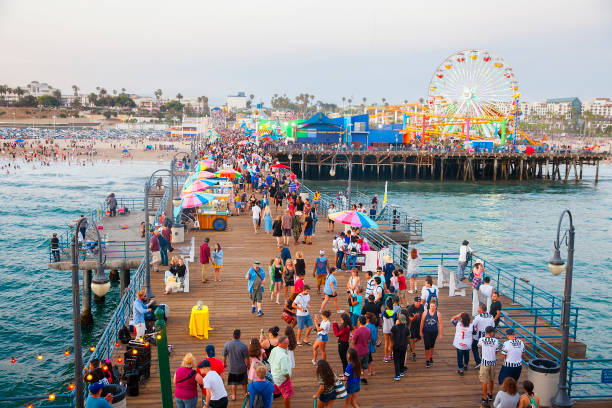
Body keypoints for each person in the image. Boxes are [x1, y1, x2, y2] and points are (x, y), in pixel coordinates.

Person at [222, 329, 249, 401]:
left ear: (233, 335)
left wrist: (224, 363)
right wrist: (248, 366)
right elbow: (246, 358)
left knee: (234, 382)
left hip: (232, 368)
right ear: (240, 336)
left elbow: (224, 356)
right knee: (244, 382)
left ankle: (234, 396)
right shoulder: (243, 346)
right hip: (242, 368)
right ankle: (246, 394)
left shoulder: (227, 344)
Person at [268, 336, 293, 408]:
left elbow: (269, 361)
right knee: (287, 395)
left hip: (274, 376)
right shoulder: (283, 356)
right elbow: (284, 371)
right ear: (283, 344)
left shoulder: (274, 349)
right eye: (287, 343)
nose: (288, 345)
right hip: (282, 379)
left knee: (274, 391)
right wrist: (288, 378)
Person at [478, 326, 500, 404]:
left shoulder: (481, 340)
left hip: (485, 363)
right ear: (491, 333)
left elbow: (479, 346)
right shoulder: (496, 341)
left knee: (484, 381)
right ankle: (490, 394)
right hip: (493, 362)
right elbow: (496, 352)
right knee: (491, 379)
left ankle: (485, 397)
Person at [472, 303, 495, 369]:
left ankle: (479, 361)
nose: (478, 309)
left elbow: (473, 325)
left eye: (479, 308)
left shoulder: (478, 317)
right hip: (488, 336)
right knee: (486, 349)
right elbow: (492, 326)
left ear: (481, 310)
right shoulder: (491, 316)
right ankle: (485, 361)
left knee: (474, 347)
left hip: (479, 337)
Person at [420, 300, 442, 368]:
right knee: (427, 346)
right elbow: (422, 322)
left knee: (432, 346)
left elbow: (440, 324)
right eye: (431, 306)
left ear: (436, 307)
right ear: (429, 306)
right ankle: (427, 360)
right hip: (426, 331)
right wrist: (420, 331)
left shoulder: (438, 314)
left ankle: (430, 357)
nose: (432, 307)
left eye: (434, 306)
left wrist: (441, 334)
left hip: (434, 332)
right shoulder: (425, 313)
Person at [351, 316, 371, 384]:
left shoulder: (357, 331)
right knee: (365, 366)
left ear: (359, 322)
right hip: (366, 351)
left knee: (357, 366)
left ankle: (357, 379)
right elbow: (369, 340)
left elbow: (353, 342)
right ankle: (365, 379)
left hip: (358, 352)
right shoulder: (368, 330)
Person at [390, 314, 409, 381]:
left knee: (396, 360)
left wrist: (392, 341)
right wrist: (407, 344)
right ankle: (401, 372)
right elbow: (407, 337)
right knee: (402, 358)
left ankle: (397, 375)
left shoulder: (395, 327)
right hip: (404, 345)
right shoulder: (406, 328)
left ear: (399, 320)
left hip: (396, 346)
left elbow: (391, 335)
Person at [405, 296, 424, 361]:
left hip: (419, 325)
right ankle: (413, 353)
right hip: (412, 325)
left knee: (419, 338)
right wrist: (415, 317)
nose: (418, 303)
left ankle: (410, 345)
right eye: (417, 302)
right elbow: (410, 319)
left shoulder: (422, 306)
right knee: (413, 339)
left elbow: (423, 315)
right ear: (414, 302)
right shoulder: (410, 308)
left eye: (419, 302)